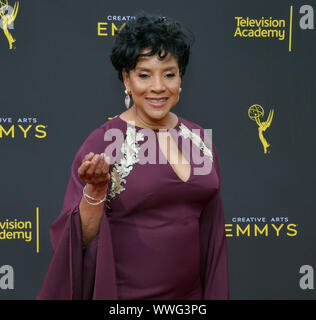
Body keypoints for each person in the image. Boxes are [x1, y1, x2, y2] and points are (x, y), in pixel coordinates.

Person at [37, 12, 229, 300]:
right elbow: (77, 241)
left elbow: (213, 235)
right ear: (126, 78)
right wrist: (96, 190)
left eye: (169, 74)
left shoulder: (200, 139)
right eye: (144, 74)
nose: (158, 87)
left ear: (180, 78)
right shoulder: (104, 141)